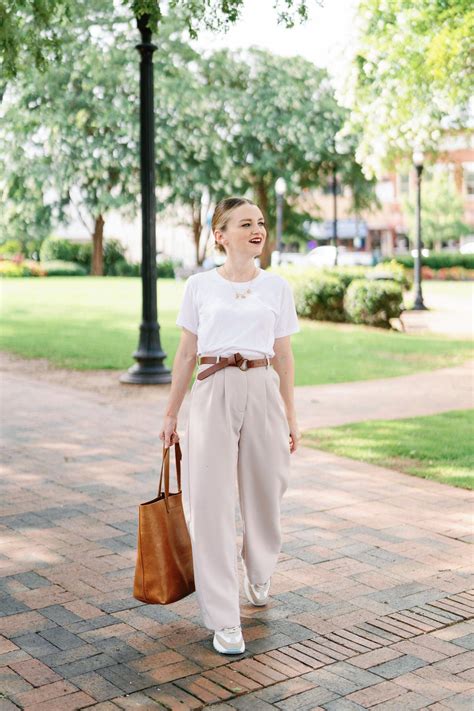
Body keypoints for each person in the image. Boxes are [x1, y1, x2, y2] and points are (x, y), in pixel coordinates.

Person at [159, 196, 301, 655]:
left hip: (262, 389)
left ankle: (258, 575)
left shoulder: (277, 287)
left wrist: (291, 414)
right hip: (212, 391)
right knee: (211, 504)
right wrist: (170, 413)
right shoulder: (199, 287)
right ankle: (224, 618)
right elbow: (185, 354)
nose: (257, 229)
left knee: (266, 491)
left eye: (260, 222)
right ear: (220, 235)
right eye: (246, 223)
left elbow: (284, 355)